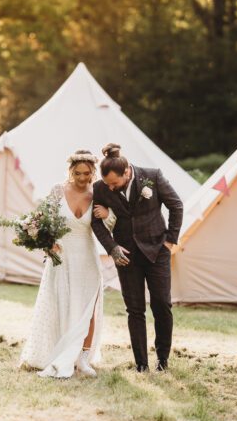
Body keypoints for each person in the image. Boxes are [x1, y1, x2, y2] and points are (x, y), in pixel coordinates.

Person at [90, 143, 183, 373]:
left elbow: (176, 205)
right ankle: (141, 363)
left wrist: (170, 240)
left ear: (127, 172)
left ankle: (163, 359)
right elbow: (96, 222)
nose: (110, 188)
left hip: (157, 251)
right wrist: (112, 248)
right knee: (134, 309)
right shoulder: (101, 188)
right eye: (107, 183)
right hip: (126, 256)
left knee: (162, 304)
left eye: (115, 183)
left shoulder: (153, 176)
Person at [19, 150, 112, 378]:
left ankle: (83, 358)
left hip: (87, 256)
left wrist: (108, 213)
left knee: (88, 307)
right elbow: (41, 219)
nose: (82, 178)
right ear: (71, 171)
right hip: (61, 256)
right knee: (62, 302)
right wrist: (47, 243)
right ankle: (59, 350)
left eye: (87, 173)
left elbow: (110, 225)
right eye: (78, 173)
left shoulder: (99, 192)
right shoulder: (58, 191)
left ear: (93, 172)